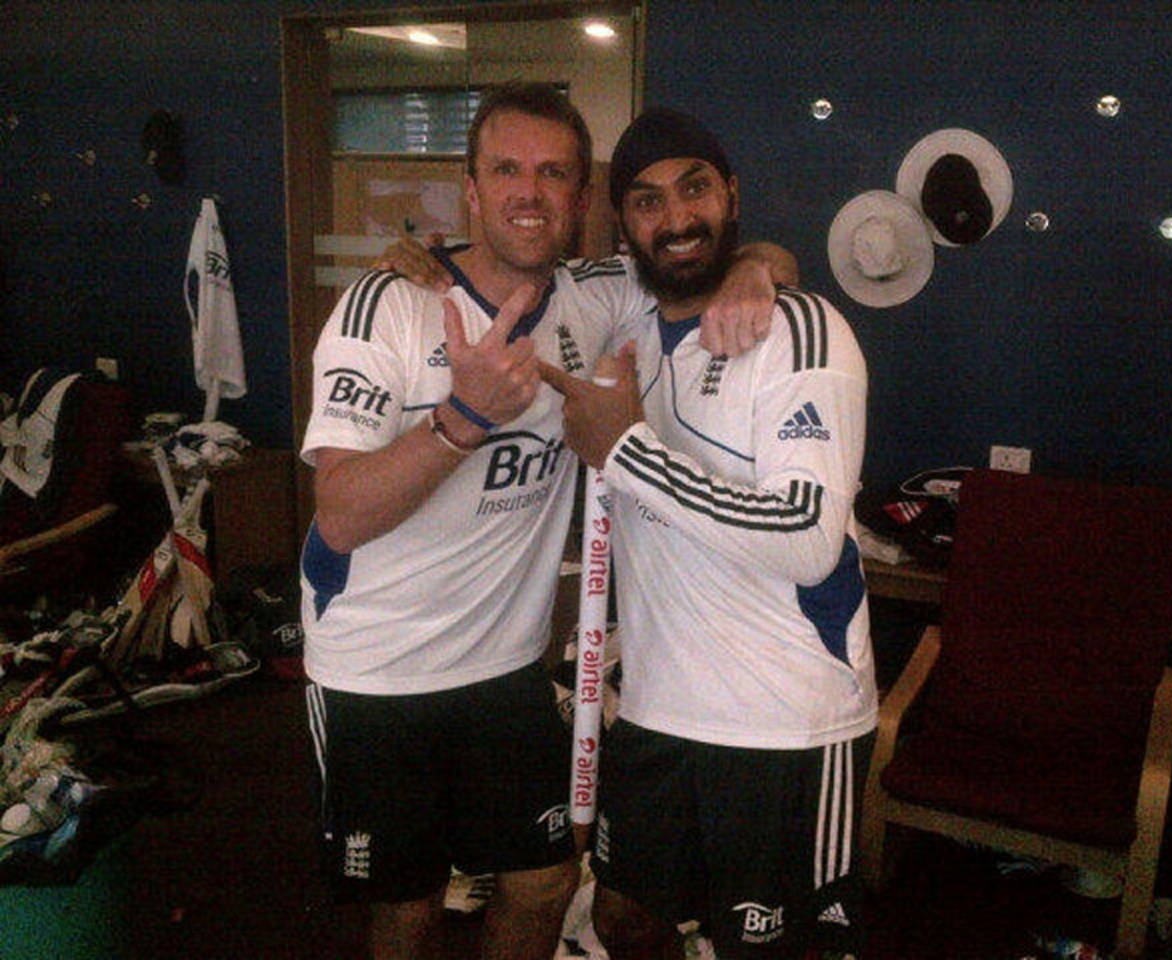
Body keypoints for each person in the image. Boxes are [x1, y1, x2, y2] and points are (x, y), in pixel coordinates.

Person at [299, 83, 794, 960]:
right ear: (471, 189)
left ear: (580, 198)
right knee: (406, 909)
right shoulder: (388, 307)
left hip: (506, 669)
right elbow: (336, 516)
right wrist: (462, 420)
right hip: (377, 673)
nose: (529, 192)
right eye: (506, 170)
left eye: (553, 173)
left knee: (544, 881)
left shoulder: (596, 296)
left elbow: (710, 259)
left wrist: (759, 265)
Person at [540, 109, 877, 960]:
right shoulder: (624, 321)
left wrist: (625, 449)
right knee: (622, 918)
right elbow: (495, 273)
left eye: (695, 188)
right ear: (624, 224)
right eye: (647, 201)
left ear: (732, 195)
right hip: (658, 709)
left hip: (784, 722)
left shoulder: (802, 331)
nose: (677, 218)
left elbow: (805, 535)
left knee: (773, 948)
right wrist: (418, 266)